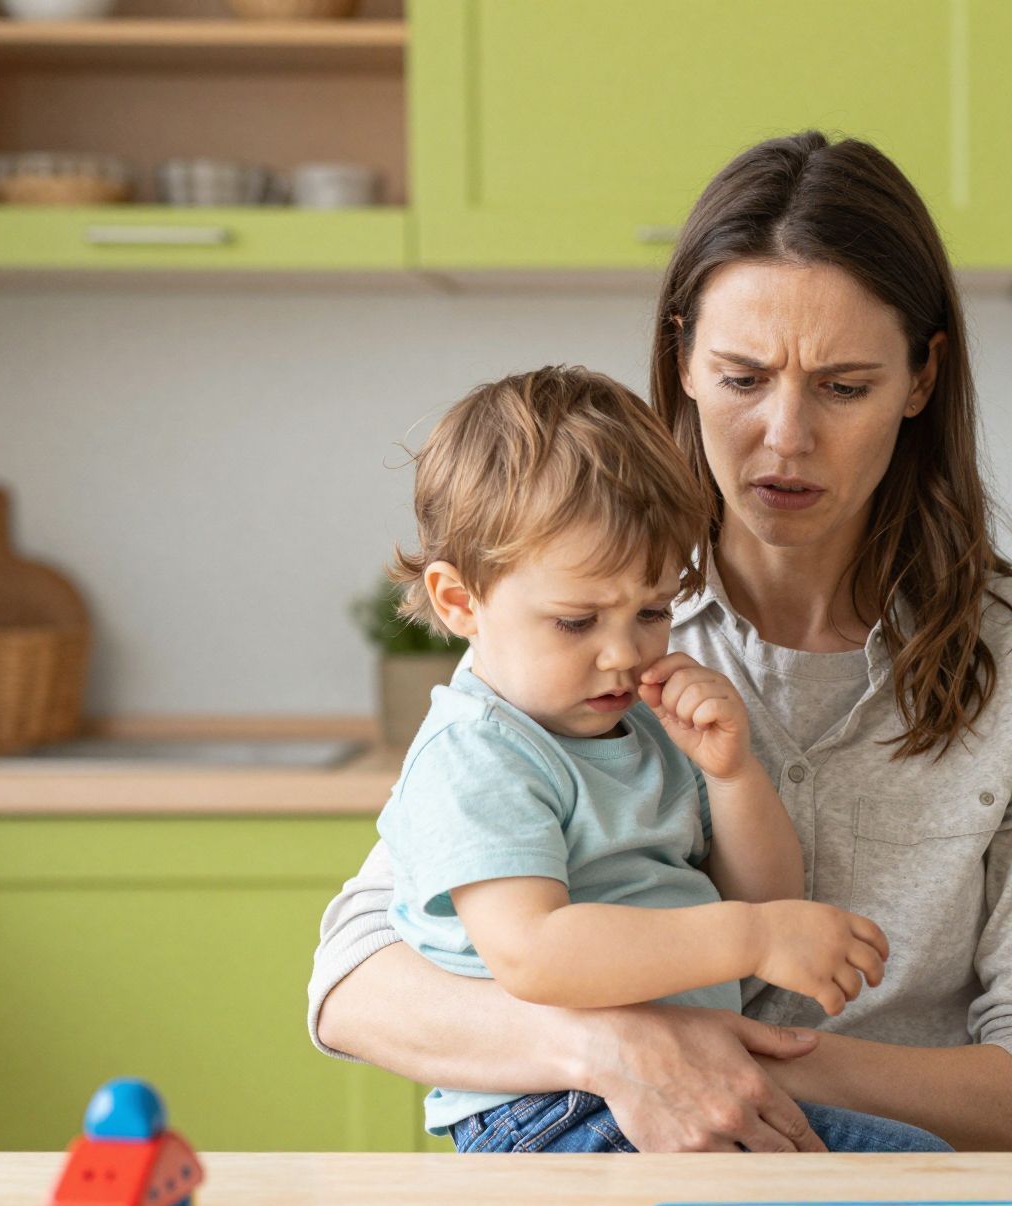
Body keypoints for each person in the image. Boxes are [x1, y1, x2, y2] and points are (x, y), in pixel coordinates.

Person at [309, 131, 1012, 1154]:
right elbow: (352, 978)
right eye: (741, 378)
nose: (785, 437)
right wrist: (609, 1052)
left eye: (843, 387)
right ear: (683, 361)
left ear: (921, 379)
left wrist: (720, 1063)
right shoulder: (582, 626)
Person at [372, 364, 911, 1154]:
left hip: (670, 1082)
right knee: (904, 1175)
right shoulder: (478, 753)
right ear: (460, 602)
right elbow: (534, 954)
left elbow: (764, 894)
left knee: (904, 1172)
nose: (624, 653)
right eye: (576, 621)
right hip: (553, 1104)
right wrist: (750, 938)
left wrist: (732, 775)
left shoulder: (639, 727)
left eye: (653, 611)